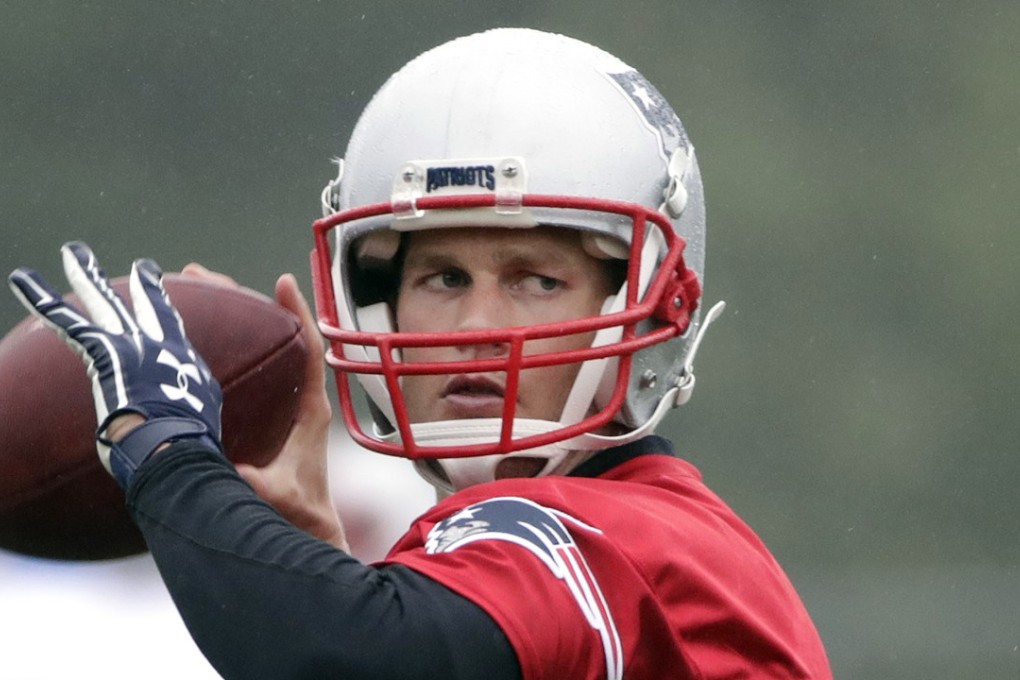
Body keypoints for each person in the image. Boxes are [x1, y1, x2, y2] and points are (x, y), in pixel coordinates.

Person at [9, 28, 832, 679]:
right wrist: (317, 570)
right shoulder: (533, 556)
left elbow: (356, 656)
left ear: (647, 300)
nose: (474, 323)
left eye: (537, 279)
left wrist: (163, 447)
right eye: (442, 276)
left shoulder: (622, 538)